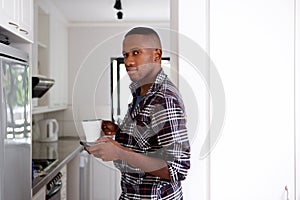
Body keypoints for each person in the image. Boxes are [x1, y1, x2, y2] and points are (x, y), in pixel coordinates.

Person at [85, 27, 190, 200]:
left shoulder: (164, 100)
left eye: (136, 53)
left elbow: (177, 169)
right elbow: (148, 141)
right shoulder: (141, 93)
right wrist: (118, 132)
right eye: (126, 55)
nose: (128, 61)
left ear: (156, 55)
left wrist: (119, 152)